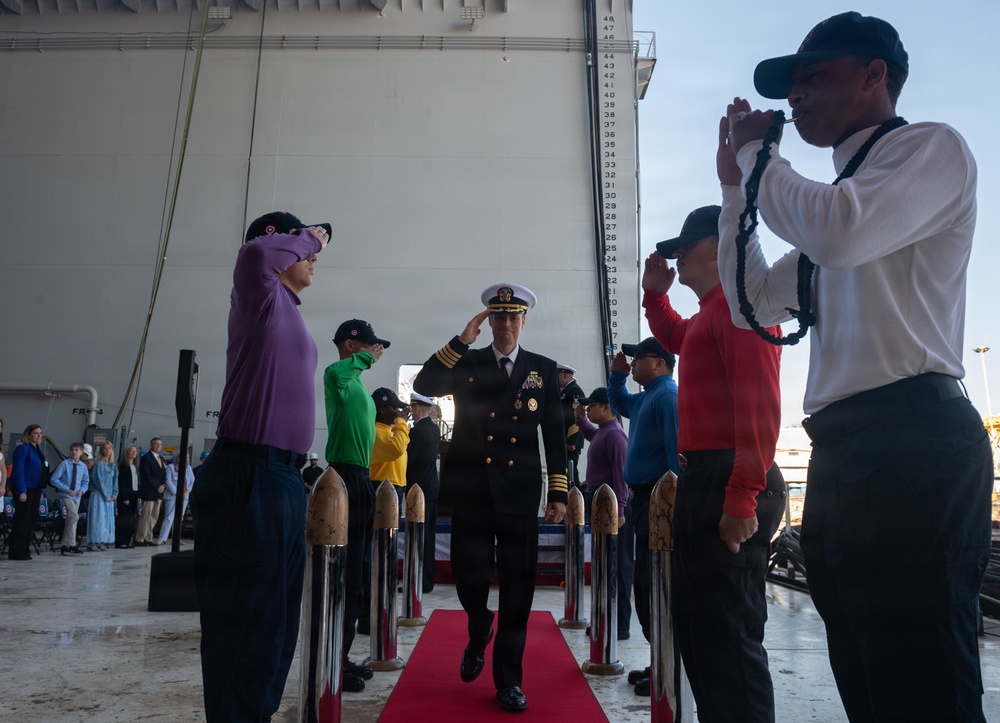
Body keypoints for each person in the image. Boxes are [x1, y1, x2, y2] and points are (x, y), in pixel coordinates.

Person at [717, 12, 992, 722]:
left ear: (875, 77)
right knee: (869, 679)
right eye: (794, 84)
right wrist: (734, 193)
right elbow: (751, 300)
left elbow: (842, 230)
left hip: (914, 440)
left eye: (815, 74)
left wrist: (759, 161)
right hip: (846, 448)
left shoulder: (930, 150)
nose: (797, 94)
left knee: (922, 682)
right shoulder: (831, 208)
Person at [643, 205, 784, 720]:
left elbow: (760, 406)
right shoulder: (713, 312)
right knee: (701, 628)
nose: (676, 259)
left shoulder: (742, 308)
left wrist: (743, 493)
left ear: (717, 245)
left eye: (683, 249)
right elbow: (680, 338)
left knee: (729, 635)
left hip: (730, 474)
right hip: (707, 474)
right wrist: (655, 296)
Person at [193, 210, 330, 722]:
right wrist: (314, 233)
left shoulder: (286, 306)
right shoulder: (259, 292)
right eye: (300, 248)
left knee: (273, 626)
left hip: (280, 479)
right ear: (279, 242)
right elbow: (256, 251)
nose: (311, 256)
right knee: (245, 627)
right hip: (247, 476)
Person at [413, 282, 569, 714]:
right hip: (472, 489)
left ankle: (509, 681)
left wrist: (557, 490)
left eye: (512, 317)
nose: (504, 324)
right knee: (469, 574)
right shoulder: (468, 362)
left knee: (518, 591)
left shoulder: (542, 370)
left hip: (519, 495)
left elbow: (554, 436)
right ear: (489, 321)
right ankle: (480, 623)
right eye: (497, 317)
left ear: (523, 321)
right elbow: (426, 383)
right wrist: (462, 340)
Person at [607, 337, 678, 696]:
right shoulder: (650, 395)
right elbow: (618, 402)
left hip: (657, 500)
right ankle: (658, 662)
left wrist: (669, 509)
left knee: (658, 585)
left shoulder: (666, 398)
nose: (632, 363)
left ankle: (668, 667)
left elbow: (675, 459)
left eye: (638, 359)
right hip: (642, 500)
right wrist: (617, 376)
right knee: (647, 585)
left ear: (660, 363)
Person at [324, 318, 391, 692]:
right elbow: (336, 371)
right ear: (351, 346)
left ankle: (342, 655)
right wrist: (366, 360)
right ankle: (332, 659)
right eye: (368, 345)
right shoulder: (339, 377)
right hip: (343, 478)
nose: (375, 350)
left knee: (357, 575)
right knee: (343, 574)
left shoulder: (360, 389)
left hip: (361, 479)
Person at [573, 387, 632, 640]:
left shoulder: (616, 436)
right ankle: (606, 619)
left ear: (607, 408)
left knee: (617, 567)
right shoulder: (605, 432)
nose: (588, 409)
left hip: (613, 509)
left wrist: (619, 509)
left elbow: (621, 477)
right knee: (604, 563)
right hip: (602, 503)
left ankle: (619, 625)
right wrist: (580, 419)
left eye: (592, 406)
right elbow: (591, 434)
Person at [406, 391, 441, 593]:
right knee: (428, 536)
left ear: (417, 408)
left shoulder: (416, 432)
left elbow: (408, 461)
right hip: (431, 489)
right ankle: (427, 579)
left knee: (418, 537)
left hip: (417, 491)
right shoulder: (434, 429)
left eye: (411, 407)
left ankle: (420, 581)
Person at [7, 424, 48, 561]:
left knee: (31, 521)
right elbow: (18, 470)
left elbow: (42, 470)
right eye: (35, 433)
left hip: (36, 488)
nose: (38, 435)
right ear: (28, 434)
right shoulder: (23, 448)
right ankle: (16, 551)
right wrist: (21, 490)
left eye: (40, 433)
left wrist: (41, 489)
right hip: (26, 488)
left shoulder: (38, 450)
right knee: (22, 521)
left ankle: (24, 549)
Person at [370, 387, 410, 514]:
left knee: (391, 531)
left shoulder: (390, 432)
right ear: (382, 410)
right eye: (394, 408)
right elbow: (396, 449)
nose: (398, 412)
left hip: (394, 486)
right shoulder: (376, 432)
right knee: (384, 531)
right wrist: (401, 422)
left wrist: (401, 424)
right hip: (382, 486)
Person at [50, 442, 90, 555]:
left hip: (77, 496)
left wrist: (82, 490)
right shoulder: (64, 464)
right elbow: (54, 479)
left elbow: (85, 481)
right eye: (72, 450)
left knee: (71, 520)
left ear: (82, 452)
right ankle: (71, 544)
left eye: (76, 450)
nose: (73, 452)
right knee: (74, 516)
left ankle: (64, 545)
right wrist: (66, 489)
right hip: (66, 494)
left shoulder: (83, 466)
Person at [557, 363, 586, 489]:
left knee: (571, 472)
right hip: (565, 440)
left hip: (571, 442)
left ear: (564, 376)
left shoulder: (574, 391)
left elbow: (576, 418)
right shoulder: (565, 391)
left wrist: (571, 441)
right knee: (565, 472)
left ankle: (575, 498)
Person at [86, 442, 118, 551]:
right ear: (101, 450)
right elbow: (98, 481)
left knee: (106, 519)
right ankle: (94, 541)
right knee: (98, 518)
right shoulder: (98, 464)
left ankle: (102, 540)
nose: (107, 450)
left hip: (109, 497)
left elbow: (115, 481)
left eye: (110, 448)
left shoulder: (113, 466)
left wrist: (114, 494)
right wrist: (106, 495)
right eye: (105, 448)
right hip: (99, 495)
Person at [134, 437, 166, 546]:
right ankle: (139, 538)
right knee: (146, 516)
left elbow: (163, 474)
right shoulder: (146, 458)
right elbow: (146, 475)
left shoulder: (160, 458)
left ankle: (148, 537)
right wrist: (157, 486)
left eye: (160, 444)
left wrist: (163, 485)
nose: (158, 446)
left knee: (154, 517)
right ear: (151, 445)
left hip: (159, 493)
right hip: (149, 492)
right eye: (156, 444)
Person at [159, 451, 194, 545]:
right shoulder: (170, 467)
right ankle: (162, 538)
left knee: (179, 517)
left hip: (184, 496)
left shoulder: (189, 468)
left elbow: (192, 481)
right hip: (172, 496)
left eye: (185, 458)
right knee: (169, 517)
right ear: (176, 458)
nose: (182, 459)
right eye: (180, 457)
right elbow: (168, 481)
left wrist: (186, 492)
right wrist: (177, 492)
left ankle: (176, 538)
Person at [115, 444, 140, 548]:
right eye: (131, 451)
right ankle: (120, 541)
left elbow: (137, 483)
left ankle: (127, 541)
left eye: (135, 451)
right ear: (126, 453)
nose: (133, 453)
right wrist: (125, 497)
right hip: (125, 496)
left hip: (134, 495)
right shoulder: (123, 466)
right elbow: (121, 483)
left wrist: (138, 496)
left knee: (131, 520)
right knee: (123, 519)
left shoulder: (135, 467)